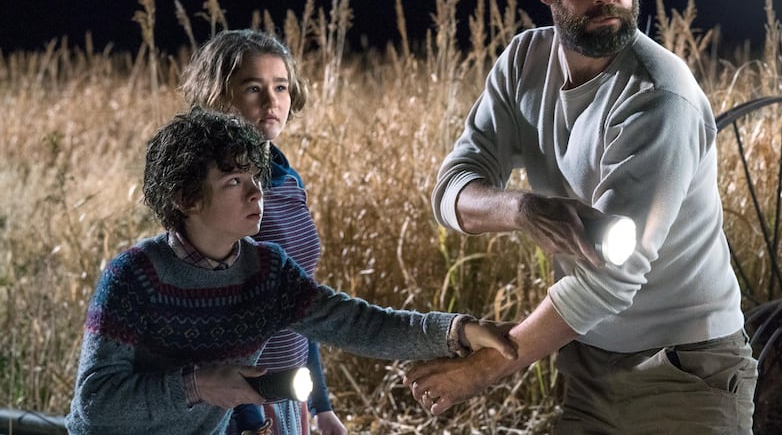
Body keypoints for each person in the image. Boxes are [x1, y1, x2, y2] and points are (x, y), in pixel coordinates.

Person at [403, 0, 758, 433]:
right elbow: (452, 190)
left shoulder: (658, 96)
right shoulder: (523, 63)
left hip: (688, 372)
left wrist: (482, 369)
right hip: (590, 366)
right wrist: (522, 209)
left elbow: (608, 281)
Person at [65, 108, 516, 435]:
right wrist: (198, 386)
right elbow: (96, 404)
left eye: (255, 179)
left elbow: (357, 324)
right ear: (186, 199)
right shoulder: (133, 277)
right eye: (233, 182)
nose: (255, 194)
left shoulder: (266, 270)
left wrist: (456, 331)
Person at [180, 29, 344, 435]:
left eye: (281, 87)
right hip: (237, 409)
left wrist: (321, 406)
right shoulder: (209, 190)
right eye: (254, 88)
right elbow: (209, 319)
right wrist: (251, 422)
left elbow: (301, 299)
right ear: (219, 96)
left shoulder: (288, 179)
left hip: (288, 395)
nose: (272, 102)